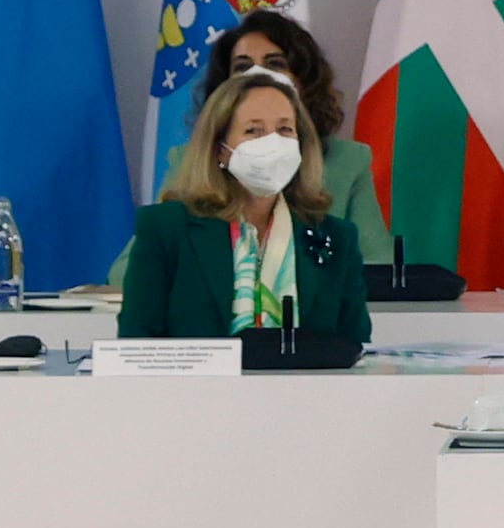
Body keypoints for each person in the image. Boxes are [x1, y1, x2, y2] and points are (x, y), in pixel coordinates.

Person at [114, 67, 371, 340]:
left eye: (285, 129)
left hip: (303, 383)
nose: (273, 142)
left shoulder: (337, 237)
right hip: (196, 383)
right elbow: (136, 342)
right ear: (219, 150)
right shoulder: (166, 229)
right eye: (253, 131)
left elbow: (354, 345)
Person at [212, 10, 392, 269]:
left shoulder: (348, 163)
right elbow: (139, 272)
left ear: (304, 81)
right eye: (242, 66)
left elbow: (377, 269)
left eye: (274, 64)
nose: (257, 75)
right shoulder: (191, 160)